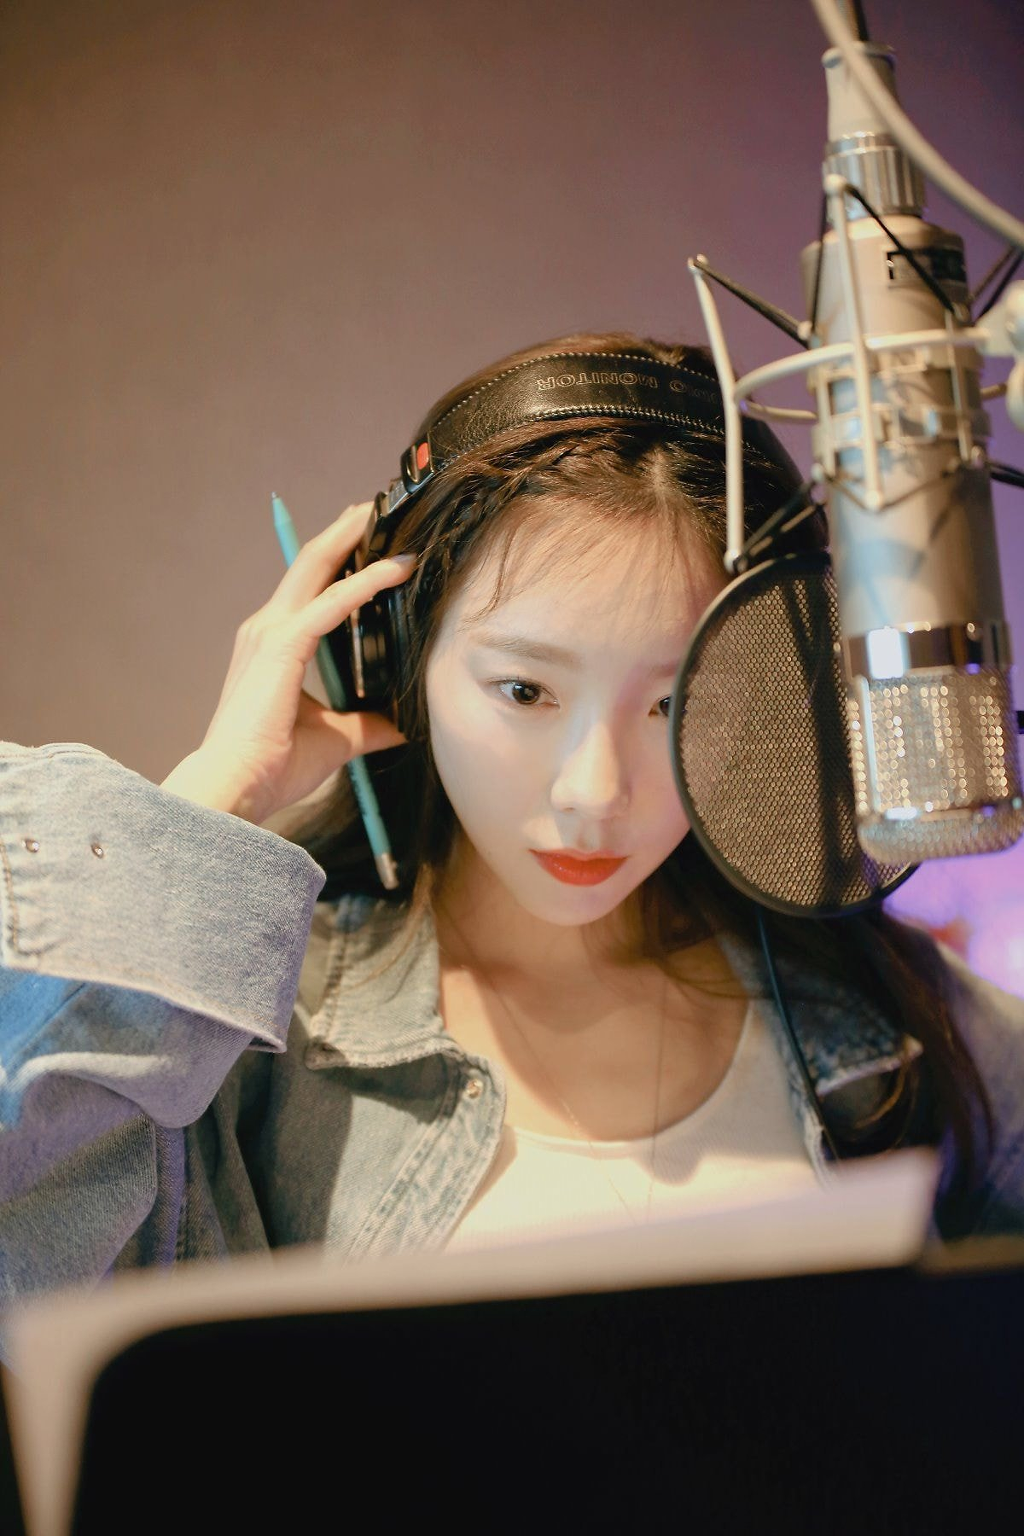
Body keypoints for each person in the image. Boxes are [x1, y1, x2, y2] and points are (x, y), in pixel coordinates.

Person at [1, 332, 1023, 1338]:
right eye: (525, 690)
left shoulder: (875, 1006)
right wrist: (208, 805)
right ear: (393, 658)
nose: (594, 792)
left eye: (676, 704)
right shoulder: (245, 1037)